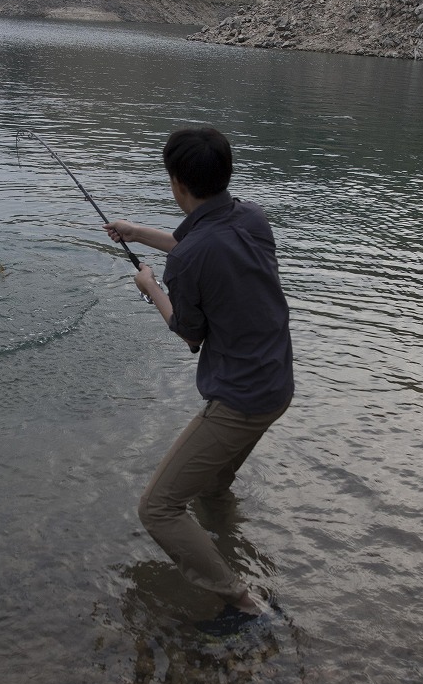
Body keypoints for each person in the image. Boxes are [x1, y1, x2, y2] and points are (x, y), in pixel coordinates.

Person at [105, 126, 294, 621]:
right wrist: (139, 232)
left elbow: (189, 335)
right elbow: (202, 248)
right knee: (211, 486)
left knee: (158, 508)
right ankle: (228, 539)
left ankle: (239, 601)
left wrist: (151, 289)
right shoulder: (251, 217)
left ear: (177, 183)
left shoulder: (187, 260)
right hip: (277, 383)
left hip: (240, 400)